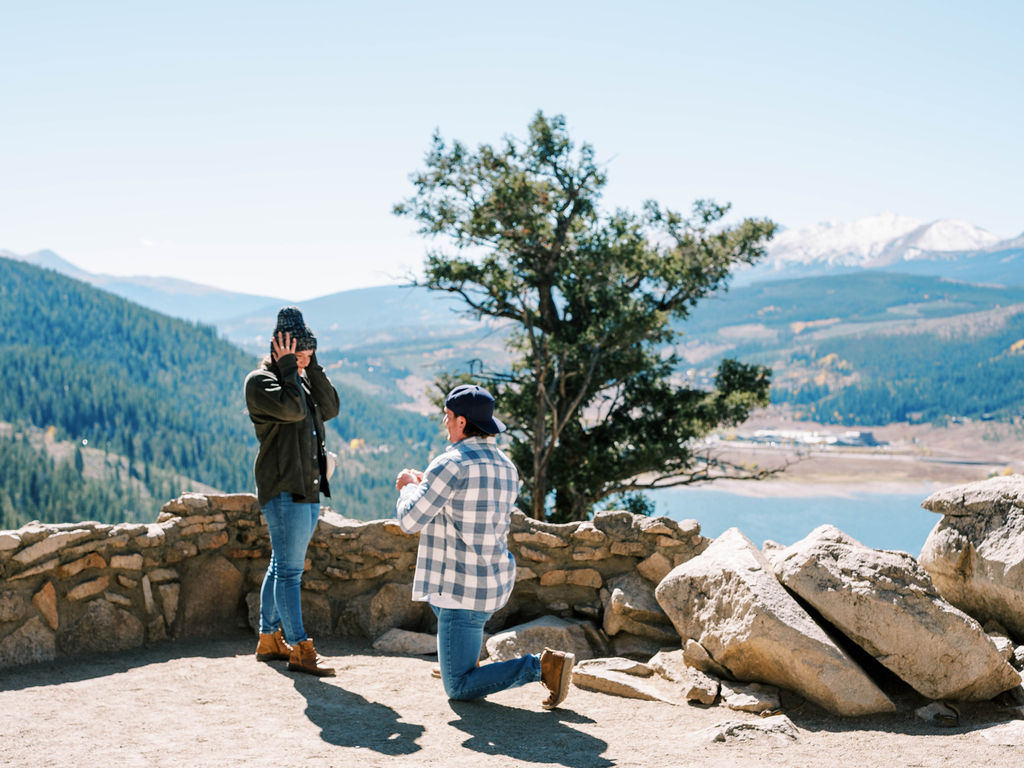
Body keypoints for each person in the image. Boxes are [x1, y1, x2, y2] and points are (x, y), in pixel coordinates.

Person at [394, 384, 575, 708]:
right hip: (491, 580)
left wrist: (409, 487)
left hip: (460, 588)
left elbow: (410, 521)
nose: (445, 424)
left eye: (448, 417)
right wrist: (427, 487)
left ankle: (542, 667)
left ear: (462, 422)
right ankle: (463, 658)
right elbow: (466, 508)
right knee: (449, 624)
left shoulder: (450, 463)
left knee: (459, 687)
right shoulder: (506, 466)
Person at [244, 306, 340, 676]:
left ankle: (269, 639)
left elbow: (329, 407)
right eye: (296, 349)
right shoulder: (261, 381)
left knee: (280, 566)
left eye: (308, 349)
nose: (303, 355)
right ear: (277, 347)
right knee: (289, 572)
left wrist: (310, 367)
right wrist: (287, 368)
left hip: (306, 489)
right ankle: (300, 647)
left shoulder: (298, 378)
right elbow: (294, 412)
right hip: (284, 489)